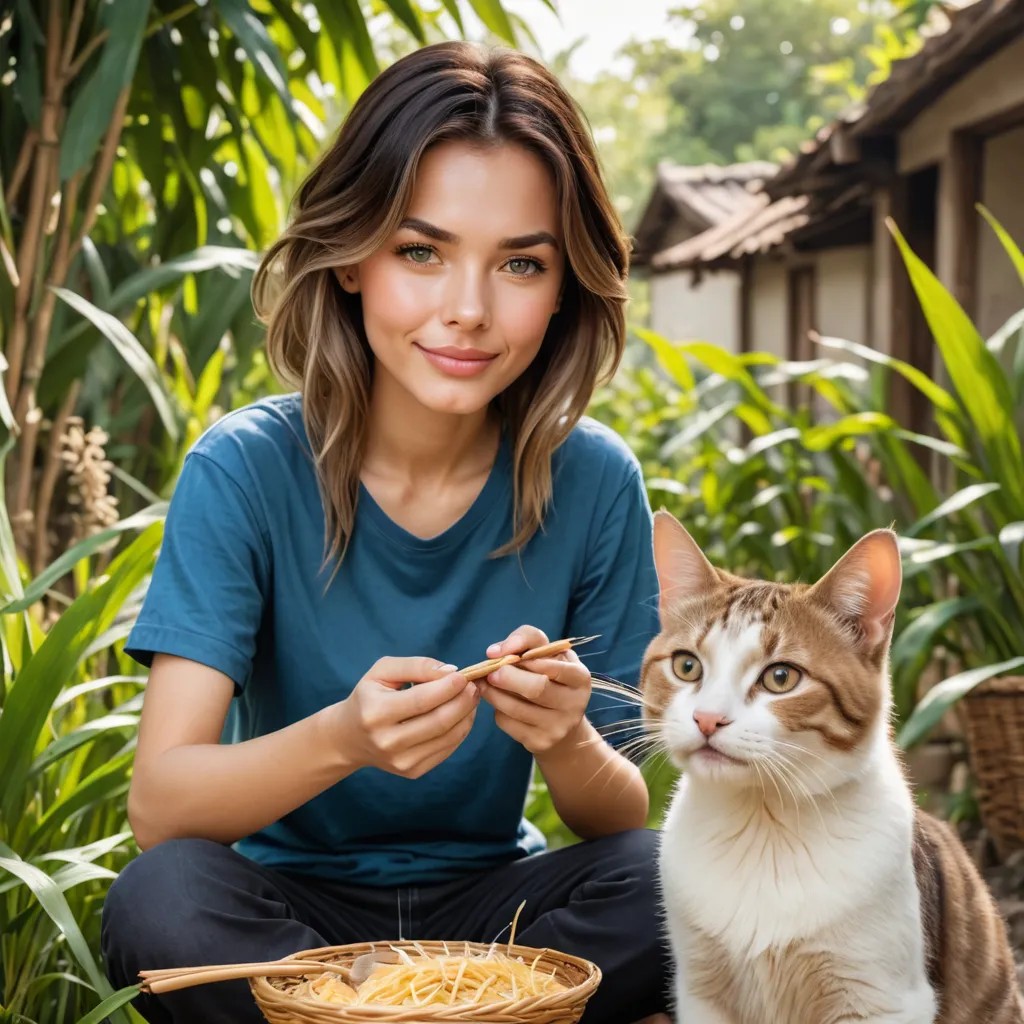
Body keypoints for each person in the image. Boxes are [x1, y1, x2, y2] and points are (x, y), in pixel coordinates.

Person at [101, 40, 671, 1024]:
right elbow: (163, 803)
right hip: (290, 916)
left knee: (678, 878)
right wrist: (342, 737)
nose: (466, 310)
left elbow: (618, 816)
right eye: (422, 251)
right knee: (162, 901)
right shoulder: (242, 468)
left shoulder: (595, 480)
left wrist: (567, 737)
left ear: (565, 284)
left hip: (501, 917)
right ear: (353, 256)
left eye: (520, 264)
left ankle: (383, 1013)